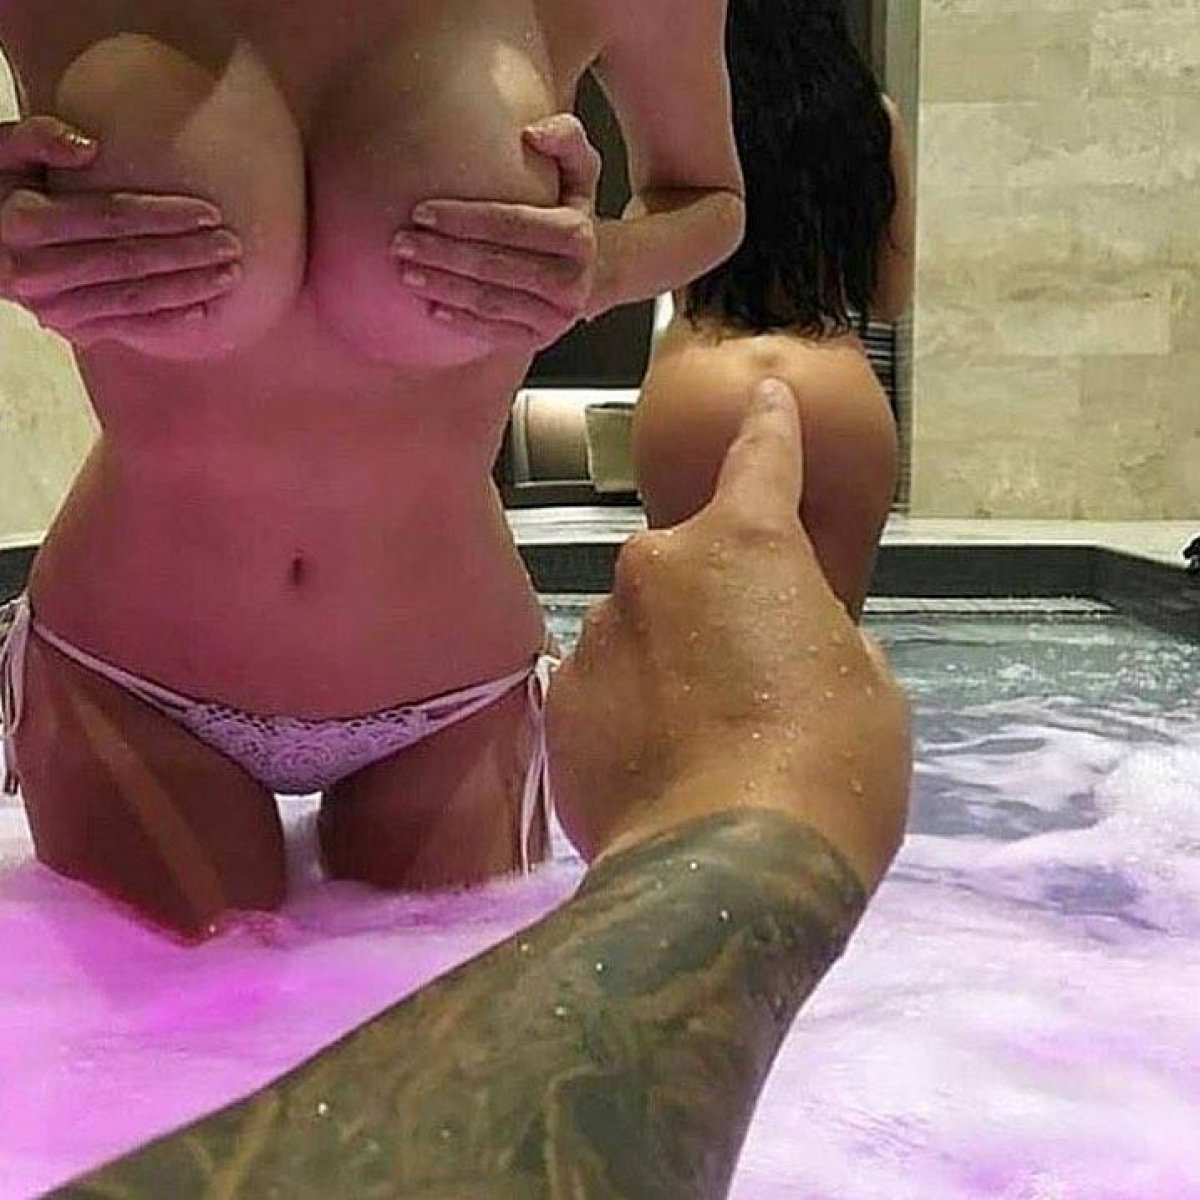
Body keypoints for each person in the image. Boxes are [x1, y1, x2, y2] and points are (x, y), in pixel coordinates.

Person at [55, 381, 912, 1199]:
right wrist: (756, 827)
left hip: (441, 683)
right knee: (169, 1037)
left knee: (187, 1027)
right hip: (132, 673)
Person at [0, 2, 745, 939]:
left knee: (452, 1042)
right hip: (126, 685)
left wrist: (608, 266)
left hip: (453, 699)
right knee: (189, 1032)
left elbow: (710, 196)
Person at [633, 0, 916, 620]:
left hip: (701, 377)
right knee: (825, 650)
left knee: (696, 645)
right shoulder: (875, 120)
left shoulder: (683, 120)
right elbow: (888, 297)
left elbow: (652, 260)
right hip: (836, 388)